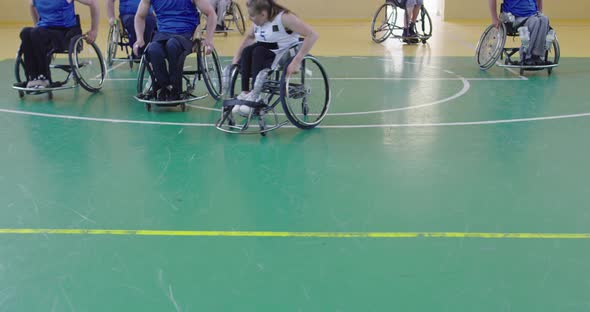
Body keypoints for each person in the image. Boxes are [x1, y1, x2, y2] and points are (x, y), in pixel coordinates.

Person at [230, 0, 318, 114]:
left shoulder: (285, 18)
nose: (249, 18)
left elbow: (312, 34)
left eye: (251, 15)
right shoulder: (259, 20)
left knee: (258, 51)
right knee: (247, 51)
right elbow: (249, 38)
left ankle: (256, 95)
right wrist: (237, 57)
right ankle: (245, 93)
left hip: (282, 54)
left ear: (263, 14)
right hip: (265, 52)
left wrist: (297, 61)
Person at [134, 0, 217, 101]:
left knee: (172, 44)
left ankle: (176, 89)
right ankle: (165, 87)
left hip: (186, 35)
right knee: (153, 49)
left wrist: (209, 39)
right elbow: (139, 16)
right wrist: (139, 38)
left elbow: (211, 13)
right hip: (162, 34)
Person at [18, 0, 99, 89]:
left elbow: (93, 2)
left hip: (66, 33)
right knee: (25, 32)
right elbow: (31, 5)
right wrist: (37, 26)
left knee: (37, 33)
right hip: (45, 31)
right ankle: (32, 77)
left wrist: (94, 30)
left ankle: (44, 77)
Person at [489, 0, 551, 65]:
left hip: (532, 14)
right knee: (534, 21)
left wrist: (540, 11)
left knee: (544, 19)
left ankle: (537, 56)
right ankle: (526, 57)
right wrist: (494, 18)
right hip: (513, 16)